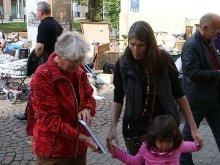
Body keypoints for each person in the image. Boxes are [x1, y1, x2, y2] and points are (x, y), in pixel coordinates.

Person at [106, 21, 203, 157]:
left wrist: (193, 128)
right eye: (132, 44)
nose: (135, 49)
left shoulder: (164, 60)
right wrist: (112, 127)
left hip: (165, 130)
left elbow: (179, 94)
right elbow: (118, 98)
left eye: (141, 45)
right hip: (137, 131)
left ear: (150, 44)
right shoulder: (122, 64)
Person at [30, 31, 101, 165]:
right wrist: (82, 138)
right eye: (74, 61)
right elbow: (50, 121)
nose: (78, 65)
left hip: (78, 149)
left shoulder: (79, 69)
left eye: (81, 60)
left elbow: (89, 96)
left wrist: (87, 109)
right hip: (53, 151)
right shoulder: (43, 76)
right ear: (60, 55)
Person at [180, 13, 220, 165]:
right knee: (189, 134)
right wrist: (217, 74)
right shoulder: (191, 45)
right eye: (216, 28)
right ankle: (184, 162)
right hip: (197, 99)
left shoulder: (208, 41)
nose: (219, 31)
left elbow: (214, 62)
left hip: (212, 98)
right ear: (205, 27)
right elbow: (192, 72)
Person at [14, 1, 63, 120]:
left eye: (37, 11)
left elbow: (40, 46)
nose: (37, 13)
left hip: (46, 63)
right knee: (54, 89)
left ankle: (29, 114)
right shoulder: (58, 25)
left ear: (40, 12)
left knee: (36, 87)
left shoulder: (43, 25)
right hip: (56, 61)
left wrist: (35, 60)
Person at [110, 115, 199, 165]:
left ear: (174, 138)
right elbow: (134, 161)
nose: (164, 145)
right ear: (154, 137)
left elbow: (193, 146)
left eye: (169, 141)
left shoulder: (178, 145)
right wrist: (115, 151)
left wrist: (198, 143)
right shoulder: (146, 148)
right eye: (160, 141)